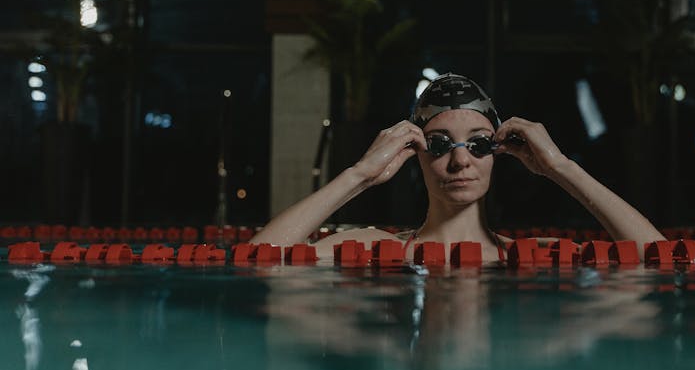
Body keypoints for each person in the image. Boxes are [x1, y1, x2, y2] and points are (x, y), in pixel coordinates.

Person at [251, 73, 664, 262]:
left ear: (498, 152)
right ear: (415, 153)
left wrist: (560, 167)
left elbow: (663, 260)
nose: (461, 159)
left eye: (480, 144)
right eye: (439, 144)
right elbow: (259, 258)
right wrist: (360, 174)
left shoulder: (533, 254)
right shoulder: (379, 247)